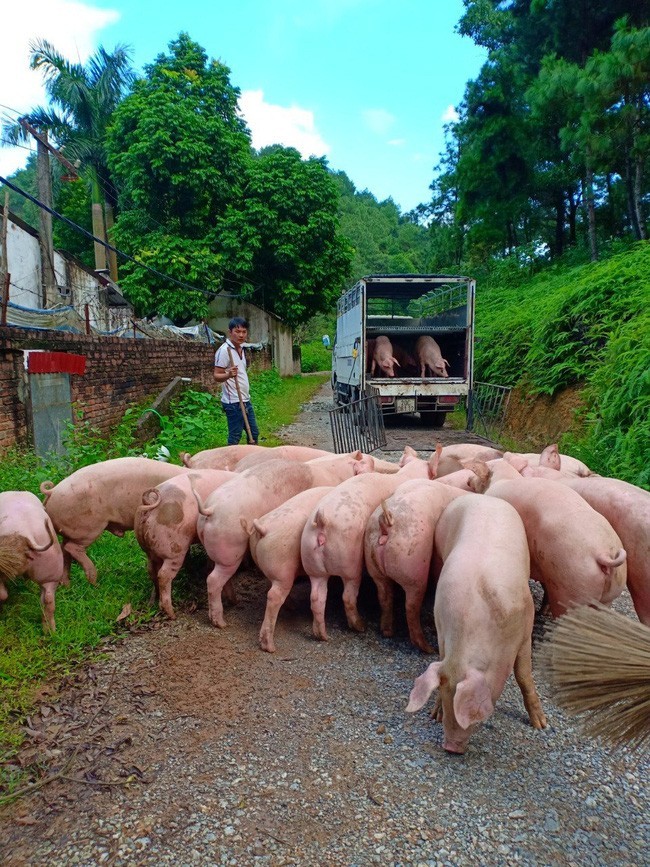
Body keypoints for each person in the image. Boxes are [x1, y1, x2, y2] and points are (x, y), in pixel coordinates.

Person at [213, 317, 259, 445]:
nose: (241, 335)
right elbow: (216, 375)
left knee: (254, 433)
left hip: (245, 399)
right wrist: (228, 374)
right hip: (233, 402)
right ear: (230, 332)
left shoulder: (242, 348)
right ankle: (230, 462)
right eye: (237, 331)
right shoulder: (224, 351)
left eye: (244, 332)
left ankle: (252, 461)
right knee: (235, 437)